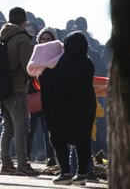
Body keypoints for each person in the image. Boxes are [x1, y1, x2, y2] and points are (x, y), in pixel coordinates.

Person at [32, 32, 96, 185]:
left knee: (57, 137)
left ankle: (65, 172)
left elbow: (47, 79)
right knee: (83, 140)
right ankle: (81, 175)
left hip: (63, 110)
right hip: (85, 108)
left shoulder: (61, 63)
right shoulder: (88, 63)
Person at [0, 7, 39, 177]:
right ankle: (22, 164)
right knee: (22, 128)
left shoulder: (3, 36)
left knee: (7, 128)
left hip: (3, 89)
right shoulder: (21, 38)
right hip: (17, 89)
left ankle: (6, 164)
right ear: (24, 22)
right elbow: (28, 67)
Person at [28, 28, 58, 167]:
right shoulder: (33, 53)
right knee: (29, 129)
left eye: (48, 39)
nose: (45, 41)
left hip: (49, 98)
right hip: (31, 97)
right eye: (43, 39)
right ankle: (26, 157)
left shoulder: (57, 55)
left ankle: (51, 157)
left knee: (48, 130)